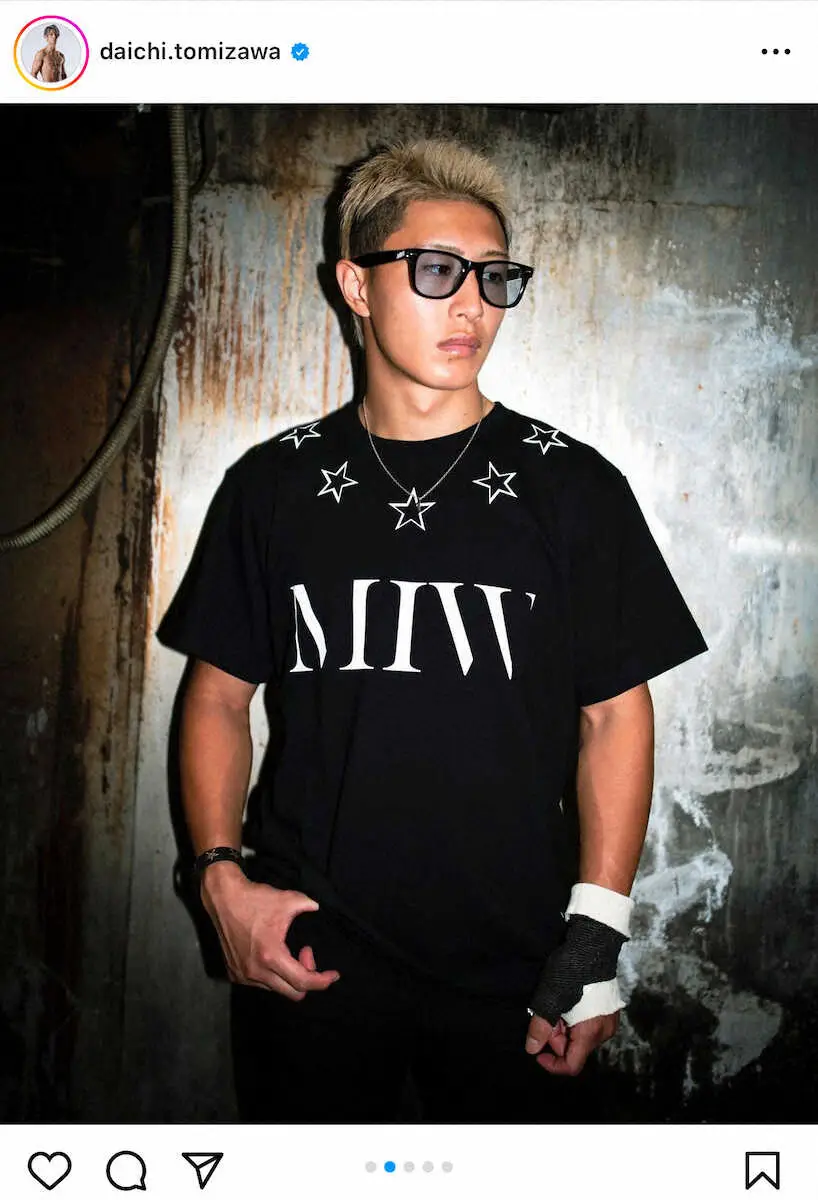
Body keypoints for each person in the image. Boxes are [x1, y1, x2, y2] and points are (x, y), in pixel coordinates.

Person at [157, 138, 709, 1123]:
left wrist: (592, 939)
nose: (473, 306)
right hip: (309, 951)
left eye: (493, 277)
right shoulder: (273, 485)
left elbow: (614, 718)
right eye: (437, 271)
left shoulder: (571, 488)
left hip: (516, 963)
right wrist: (219, 881)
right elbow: (216, 697)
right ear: (355, 286)